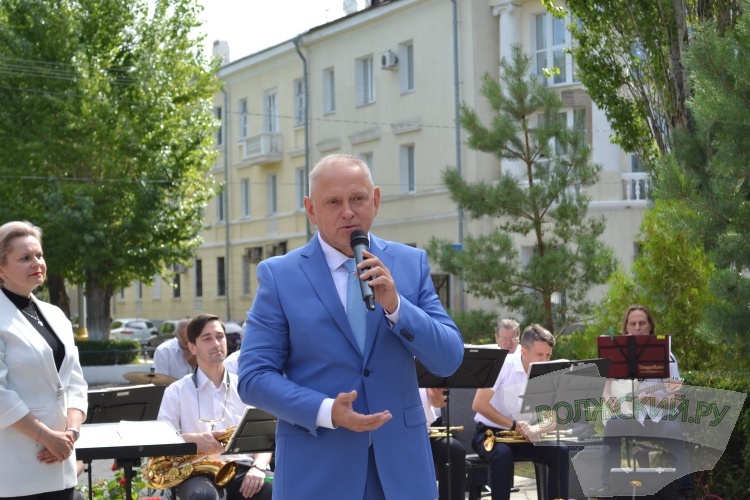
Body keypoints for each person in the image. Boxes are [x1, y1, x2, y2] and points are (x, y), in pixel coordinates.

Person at [237, 153, 464, 499]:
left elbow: (449, 359)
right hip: (317, 472)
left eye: (358, 198)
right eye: (333, 202)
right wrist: (326, 410)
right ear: (311, 210)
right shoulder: (279, 275)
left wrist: (397, 307)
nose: (348, 212)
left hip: (402, 474)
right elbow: (253, 378)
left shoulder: (409, 263)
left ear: (375, 201)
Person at [0, 220, 88, 499]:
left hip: (61, 462)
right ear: (1, 269)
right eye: (25, 258)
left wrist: (70, 433)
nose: (37, 262)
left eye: (39, 255)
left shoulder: (56, 315)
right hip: (15, 469)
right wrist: (46, 437)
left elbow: (75, 383)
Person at [157, 314, 273, 500]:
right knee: (202, 497)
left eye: (220, 337)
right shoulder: (175, 392)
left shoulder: (246, 388)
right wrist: (194, 441)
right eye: (207, 338)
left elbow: (266, 439)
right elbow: (161, 442)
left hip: (245, 469)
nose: (216, 343)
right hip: (196, 472)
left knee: (281, 490)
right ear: (192, 347)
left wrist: (258, 467)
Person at [595, 305, 693, 500]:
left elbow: (676, 399)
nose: (637, 327)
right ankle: (607, 487)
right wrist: (607, 398)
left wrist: (656, 400)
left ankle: (683, 490)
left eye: (642, 323)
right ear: (626, 328)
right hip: (630, 417)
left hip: (659, 418)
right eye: (633, 323)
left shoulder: (668, 357)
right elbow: (606, 385)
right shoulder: (617, 357)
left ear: (650, 327)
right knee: (613, 425)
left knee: (673, 431)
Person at [472, 324, 569, 500]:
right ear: (524, 351)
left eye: (548, 355)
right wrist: (515, 425)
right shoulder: (502, 365)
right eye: (539, 355)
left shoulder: (546, 372)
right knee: (502, 454)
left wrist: (535, 429)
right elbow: (479, 404)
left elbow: (551, 419)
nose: (544, 361)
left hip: (521, 435)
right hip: (488, 433)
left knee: (560, 451)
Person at [421, 387, 467, 500]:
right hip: (396, 433)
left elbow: (440, 403)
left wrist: (437, 394)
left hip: (426, 430)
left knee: (454, 450)